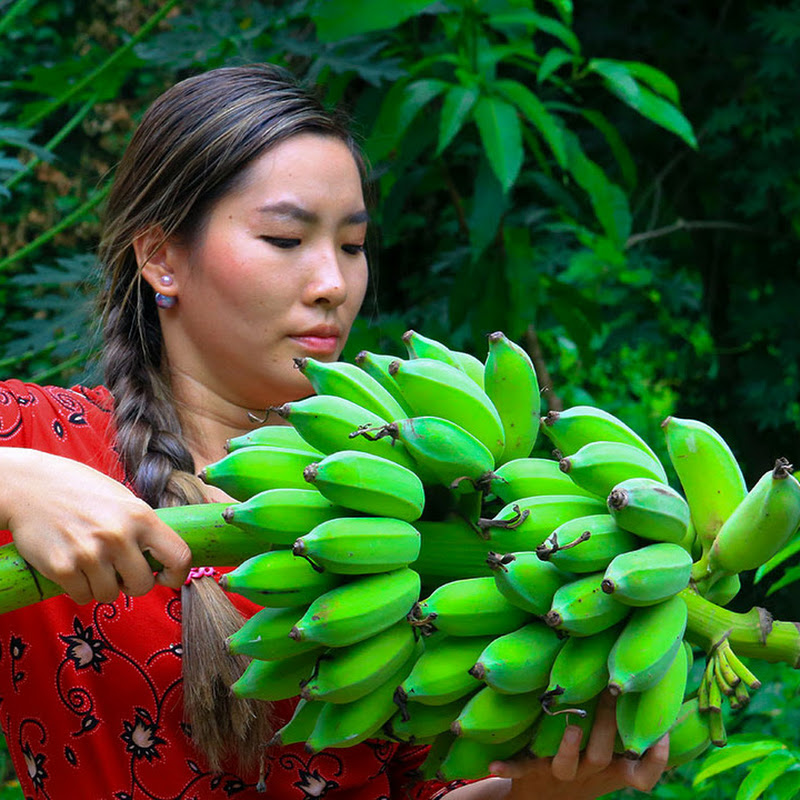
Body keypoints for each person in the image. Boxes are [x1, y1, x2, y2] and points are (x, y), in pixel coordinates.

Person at [0, 64, 669, 799]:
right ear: (161, 257)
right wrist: (17, 480)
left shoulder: (413, 494)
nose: (333, 283)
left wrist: (547, 789)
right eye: (285, 238)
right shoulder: (43, 438)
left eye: (352, 246)